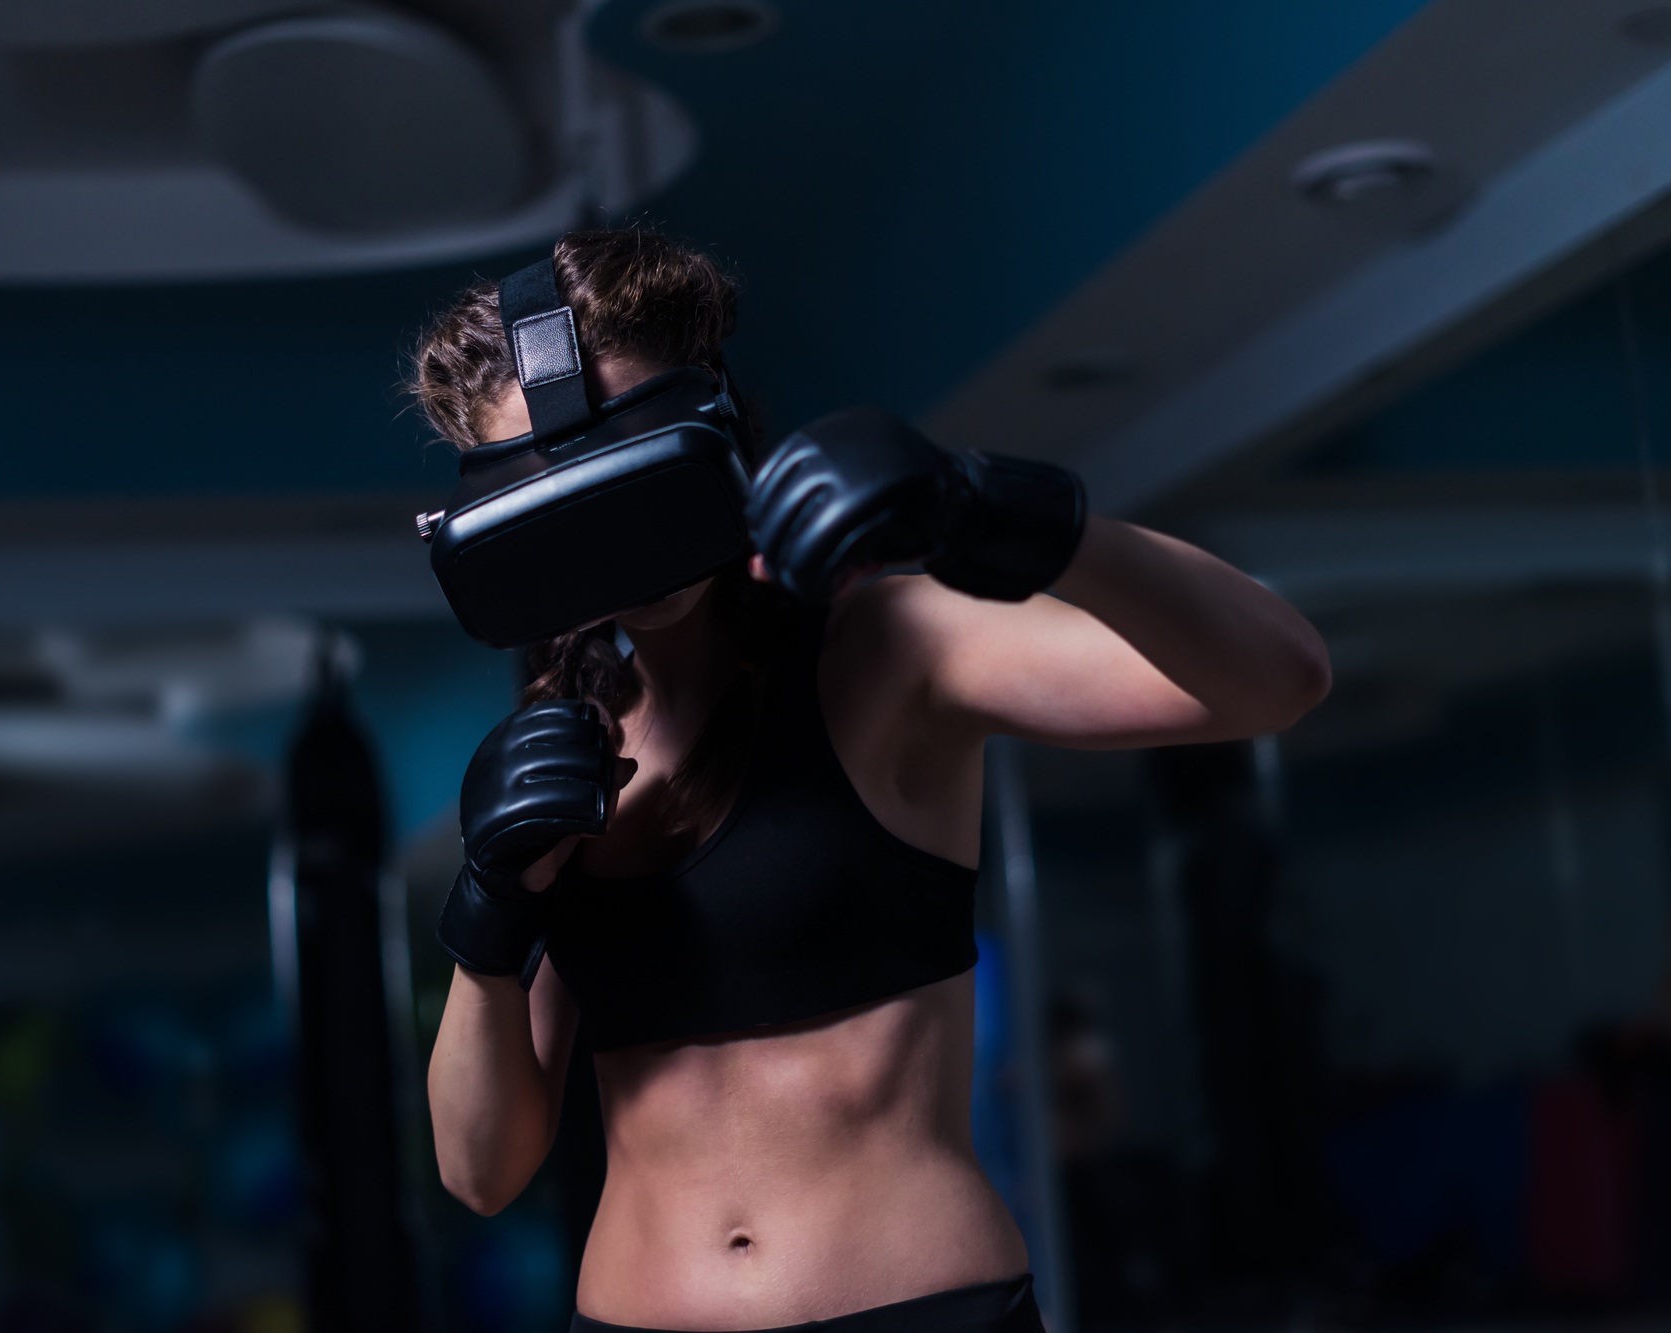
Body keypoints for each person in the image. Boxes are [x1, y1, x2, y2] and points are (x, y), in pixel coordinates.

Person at [412, 231, 1330, 1333]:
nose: (619, 532)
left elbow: (1278, 676)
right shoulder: (567, 745)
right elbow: (481, 1171)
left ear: (713, 429)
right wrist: (492, 914)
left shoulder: (887, 650)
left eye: (632, 466)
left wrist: (988, 507)